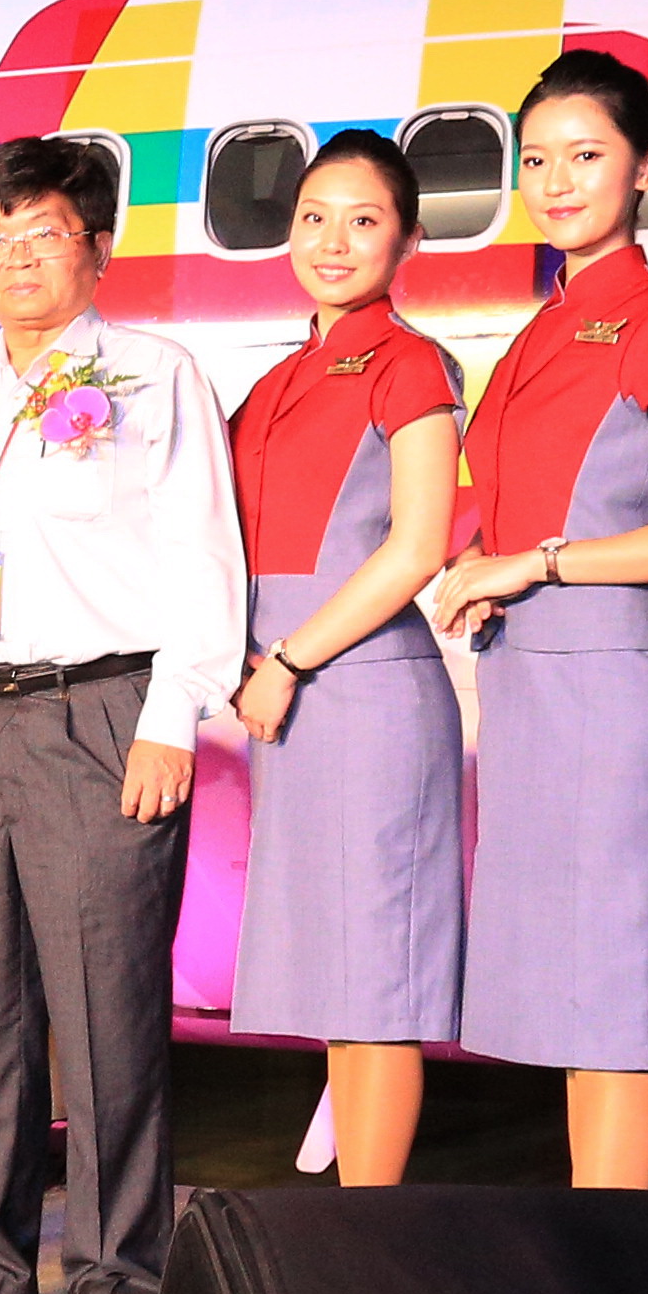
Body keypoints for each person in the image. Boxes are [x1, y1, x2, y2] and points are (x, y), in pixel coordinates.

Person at [0, 137, 246, 1294]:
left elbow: (204, 552)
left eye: (40, 235)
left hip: (101, 711)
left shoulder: (154, 374)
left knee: (104, 1013)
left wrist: (172, 716)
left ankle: (119, 1282)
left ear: (96, 247)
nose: (13, 259)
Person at [438, 50, 648, 1188]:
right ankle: (596, 1248)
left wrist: (538, 563)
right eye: (536, 161)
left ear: (647, 167)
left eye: (586, 156)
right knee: (577, 1002)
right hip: (534, 685)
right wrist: (480, 567)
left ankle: (616, 1260)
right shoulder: (542, 329)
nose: (557, 182)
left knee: (615, 1001)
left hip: (612, 687)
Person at [222, 133, 473, 1186]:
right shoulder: (273, 379)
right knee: (339, 977)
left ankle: (372, 1225)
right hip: (288, 692)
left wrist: (287, 659)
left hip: (363, 689)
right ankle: (351, 1211)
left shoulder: (411, 363)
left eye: (364, 221)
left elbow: (416, 547)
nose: (334, 241)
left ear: (408, 241)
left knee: (378, 978)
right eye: (314, 218)